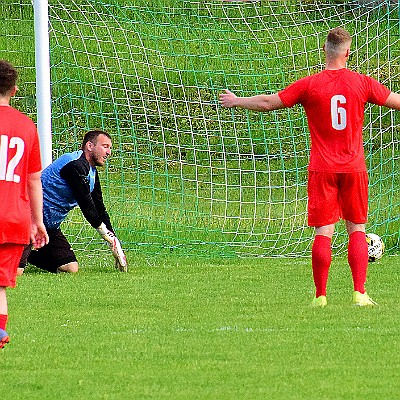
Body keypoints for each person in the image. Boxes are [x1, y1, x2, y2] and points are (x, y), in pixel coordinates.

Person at [220, 27, 400, 307]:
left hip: (322, 168)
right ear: (348, 53)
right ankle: (359, 293)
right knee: (357, 229)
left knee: (323, 232)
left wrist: (236, 101)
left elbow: (269, 103)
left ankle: (320, 296)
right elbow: (397, 102)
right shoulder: (362, 83)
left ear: (323, 52)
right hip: (353, 167)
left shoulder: (310, 84)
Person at [19, 130, 127, 275]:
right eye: (105, 146)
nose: (109, 152)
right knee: (16, 273)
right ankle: (14, 259)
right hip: (28, 220)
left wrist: (115, 243)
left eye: (110, 148)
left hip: (49, 227)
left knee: (70, 268)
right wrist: (106, 236)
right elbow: (86, 204)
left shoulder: (92, 174)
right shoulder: (74, 164)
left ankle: (19, 257)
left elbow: (99, 209)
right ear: (89, 146)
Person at [0, 60, 49, 349]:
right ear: (14, 91)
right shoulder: (26, 126)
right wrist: (37, 221)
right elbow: (34, 180)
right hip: (13, 218)